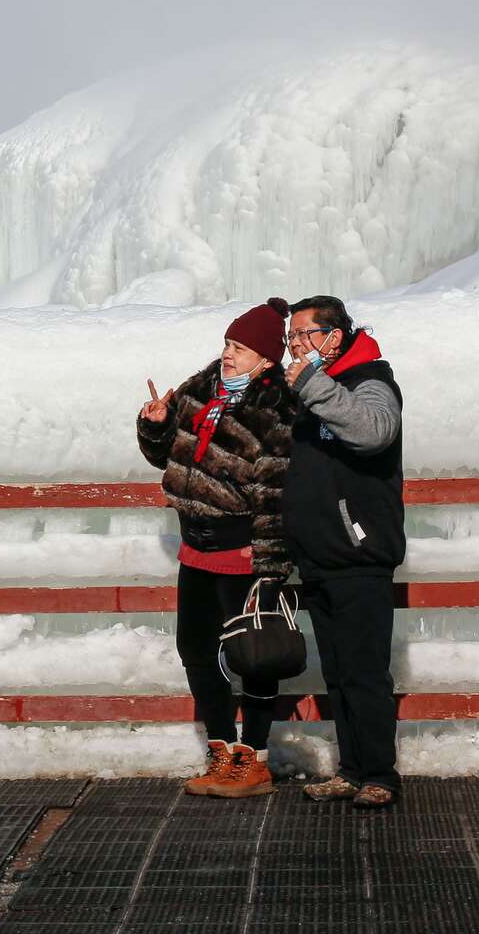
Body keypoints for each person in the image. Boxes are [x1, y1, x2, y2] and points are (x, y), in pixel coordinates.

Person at [137, 297, 297, 799]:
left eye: (241, 348)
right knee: (196, 650)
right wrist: (157, 423)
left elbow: (276, 495)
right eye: (228, 343)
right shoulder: (198, 389)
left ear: (266, 359)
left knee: (253, 653)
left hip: (242, 549)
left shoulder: (275, 410)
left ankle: (255, 756)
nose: (229, 354)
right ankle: (221, 749)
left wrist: (270, 567)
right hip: (194, 546)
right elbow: (161, 457)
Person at [281, 295, 404, 808]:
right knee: (337, 673)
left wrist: (311, 384)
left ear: (334, 335)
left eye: (302, 336)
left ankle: (380, 774)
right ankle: (352, 770)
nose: (295, 347)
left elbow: (376, 431)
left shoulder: (370, 379)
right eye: (291, 339)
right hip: (319, 555)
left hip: (359, 554)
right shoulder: (314, 390)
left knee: (365, 672)